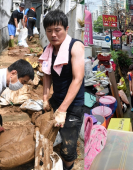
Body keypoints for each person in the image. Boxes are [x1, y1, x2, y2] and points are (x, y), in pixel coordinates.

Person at [39, 10, 84, 170]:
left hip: (72, 106)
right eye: (49, 31)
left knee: (68, 146)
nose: (53, 34)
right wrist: (45, 98)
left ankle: (68, 166)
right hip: (56, 100)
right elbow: (47, 76)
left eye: (57, 30)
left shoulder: (75, 46)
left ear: (66, 28)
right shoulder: (48, 49)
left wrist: (63, 110)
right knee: (50, 134)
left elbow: (77, 79)